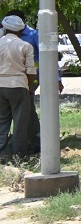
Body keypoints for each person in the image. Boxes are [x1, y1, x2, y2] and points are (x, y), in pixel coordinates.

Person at [0, 15, 37, 160]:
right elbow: (31, 72)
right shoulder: (25, 46)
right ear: (21, 31)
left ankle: (2, 155)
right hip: (18, 85)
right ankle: (18, 156)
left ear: (4, 28)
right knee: (20, 124)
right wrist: (29, 87)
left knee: (2, 122)